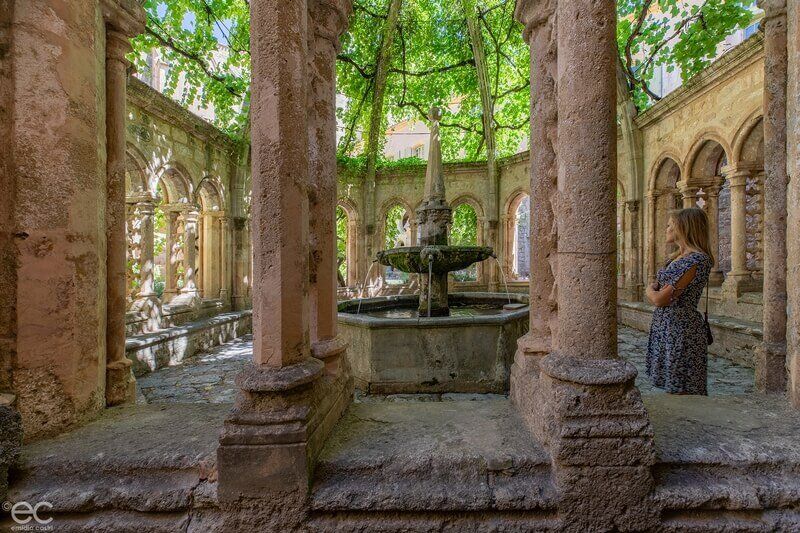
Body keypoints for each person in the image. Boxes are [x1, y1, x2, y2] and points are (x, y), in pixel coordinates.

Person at [645, 207, 714, 395]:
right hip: (667, 327)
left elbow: (660, 298)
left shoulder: (696, 260)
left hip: (681, 329)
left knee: (682, 388)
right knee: (672, 385)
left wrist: (649, 291)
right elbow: (659, 288)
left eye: (670, 225)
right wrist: (654, 290)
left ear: (683, 228)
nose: (666, 229)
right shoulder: (676, 258)